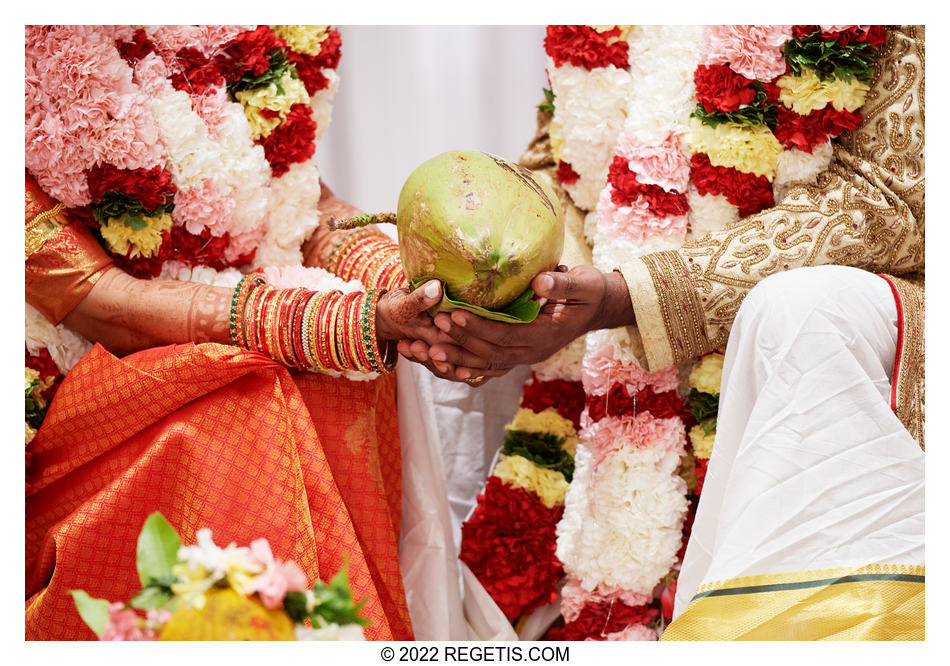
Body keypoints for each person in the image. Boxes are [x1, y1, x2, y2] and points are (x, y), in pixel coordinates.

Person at [402, 25, 924, 639]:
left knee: (795, 313)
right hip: (614, 288)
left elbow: (891, 205)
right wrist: (517, 275)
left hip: (846, 296)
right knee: (440, 308)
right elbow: (560, 169)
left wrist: (636, 293)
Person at [24, 24, 456, 641]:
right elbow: (101, 304)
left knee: (345, 383)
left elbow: (304, 210)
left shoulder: (234, 30)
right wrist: (330, 323)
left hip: (244, 329)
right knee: (244, 405)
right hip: (78, 377)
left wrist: (409, 286)